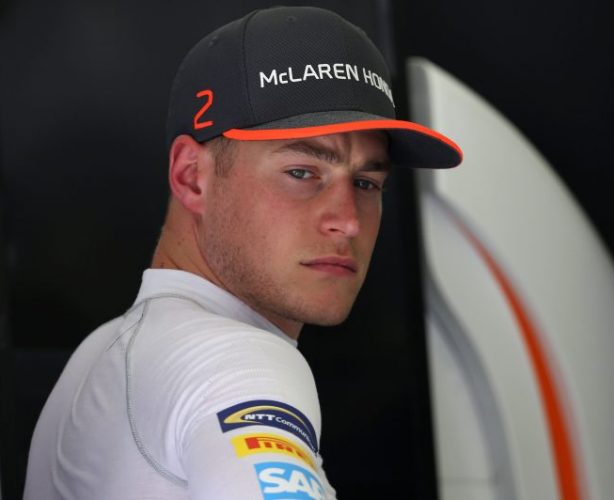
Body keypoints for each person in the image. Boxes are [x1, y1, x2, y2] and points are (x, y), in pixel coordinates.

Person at [23, 5, 462, 500]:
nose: (349, 220)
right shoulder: (236, 362)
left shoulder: (108, 349)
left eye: (365, 182)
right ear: (193, 176)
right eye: (302, 172)